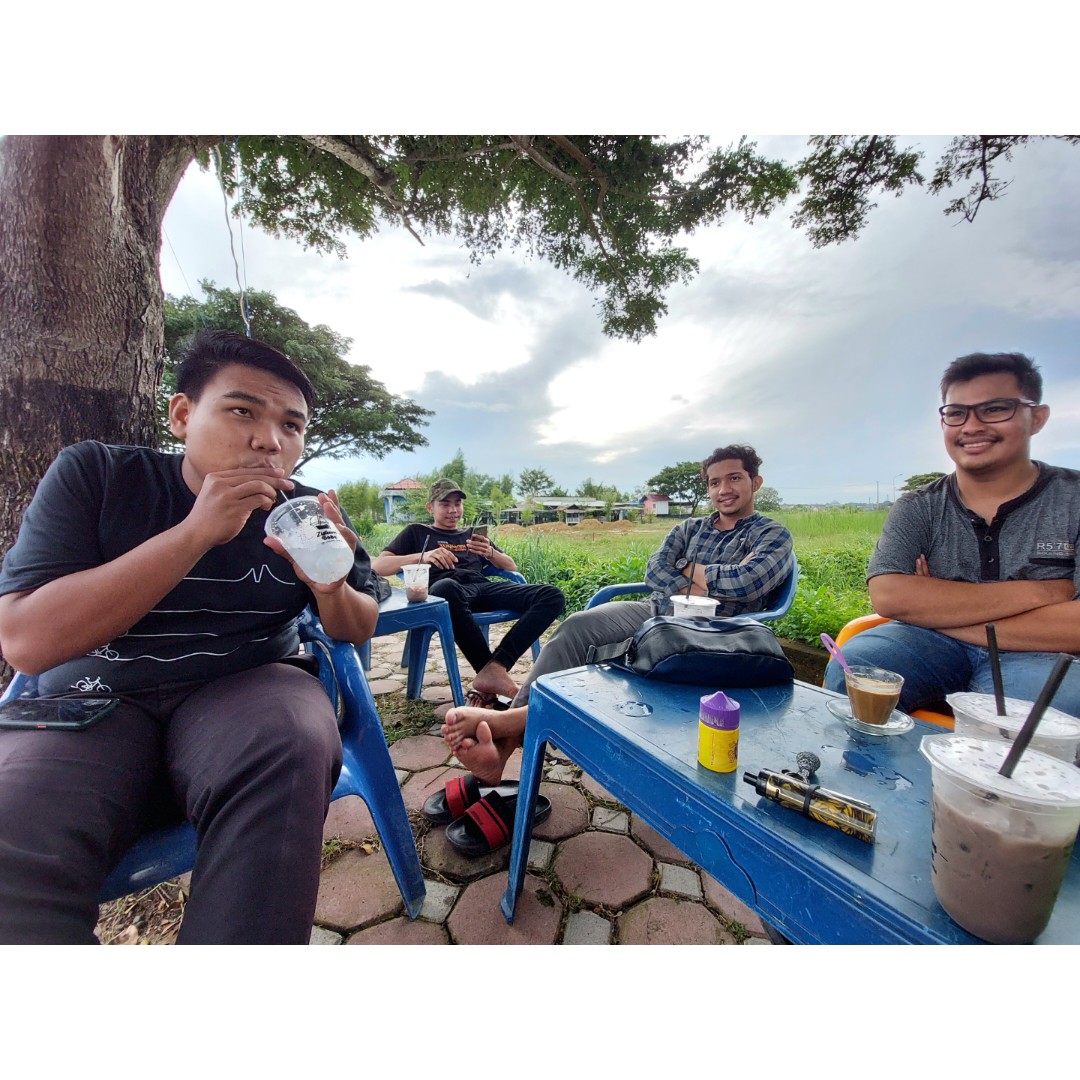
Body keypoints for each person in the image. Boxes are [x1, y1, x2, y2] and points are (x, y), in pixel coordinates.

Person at [0, 330, 381, 944]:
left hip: (247, 688)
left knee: (292, 741)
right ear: (182, 415)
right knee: (16, 827)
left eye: (291, 425)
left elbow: (358, 626)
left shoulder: (307, 513)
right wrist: (195, 532)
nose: (270, 440)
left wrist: (331, 587)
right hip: (93, 702)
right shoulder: (99, 476)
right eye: (242, 411)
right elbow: (26, 641)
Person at [441, 444, 795, 789]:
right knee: (577, 627)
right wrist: (700, 576)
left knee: (617, 654)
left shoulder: (771, 534)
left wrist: (687, 569)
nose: (723, 489)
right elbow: (655, 571)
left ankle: (507, 727)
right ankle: (502, 749)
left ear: (755, 482)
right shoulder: (689, 528)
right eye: (715, 482)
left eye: (734, 478)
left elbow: (748, 583)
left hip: (718, 631)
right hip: (656, 612)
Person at [823, 352, 1080, 715]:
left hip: (1041, 655)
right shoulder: (919, 506)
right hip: (927, 641)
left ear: (1036, 417)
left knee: (1043, 713)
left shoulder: (1072, 500)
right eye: (957, 413)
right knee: (857, 669)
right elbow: (889, 595)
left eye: (994, 409)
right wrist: (1046, 592)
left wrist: (938, 608)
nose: (971, 426)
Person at [372, 480, 565, 705]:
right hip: (446, 592)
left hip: (482, 587)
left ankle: (496, 667)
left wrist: (490, 552)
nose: (453, 510)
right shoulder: (417, 532)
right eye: (445, 504)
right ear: (430, 507)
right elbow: (378, 566)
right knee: (446, 587)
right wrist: (423, 556)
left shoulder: (472, 534)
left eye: (457, 504)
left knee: (552, 595)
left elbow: (510, 566)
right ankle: (488, 673)